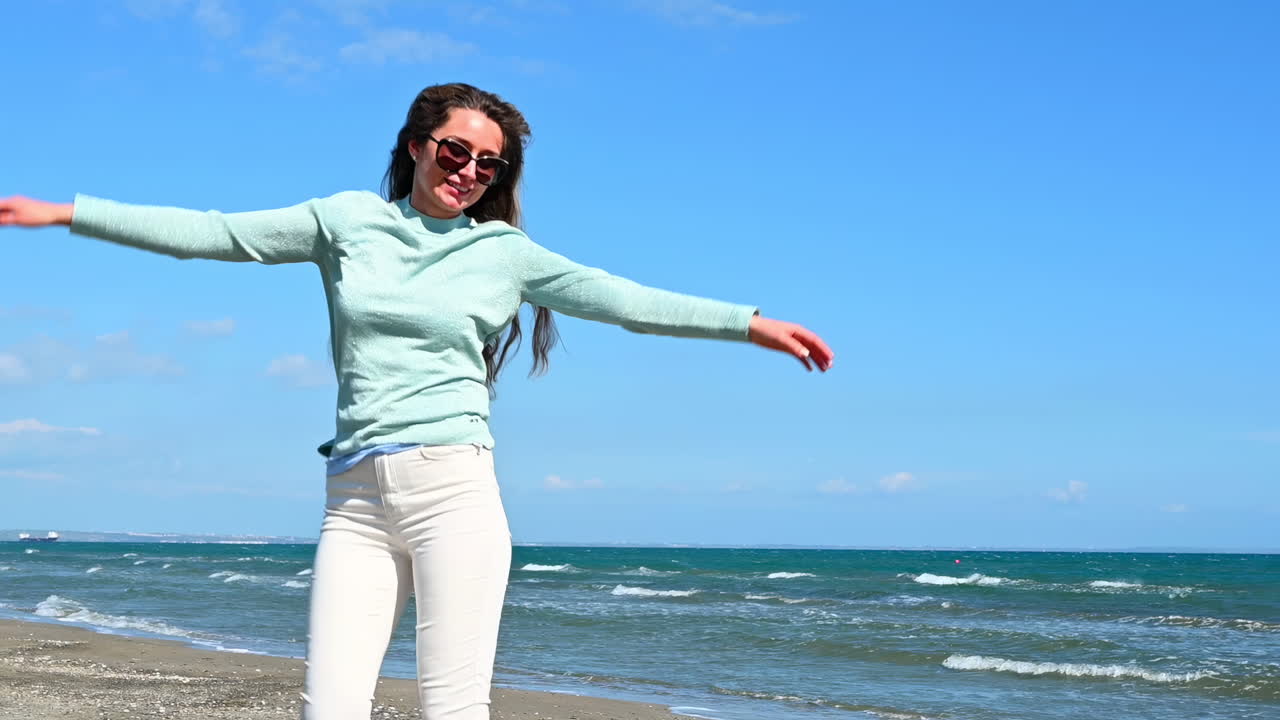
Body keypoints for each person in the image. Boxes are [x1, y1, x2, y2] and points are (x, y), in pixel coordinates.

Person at [0, 82, 834, 720]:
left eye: (487, 163)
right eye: (453, 151)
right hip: (355, 498)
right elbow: (219, 234)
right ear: (414, 146)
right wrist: (68, 213)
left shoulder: (505, 253)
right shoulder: (347, 221)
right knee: (328, 707)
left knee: (452, 708)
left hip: (453, 491)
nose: (468, 171)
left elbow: (621, 298)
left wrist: (748, 322)